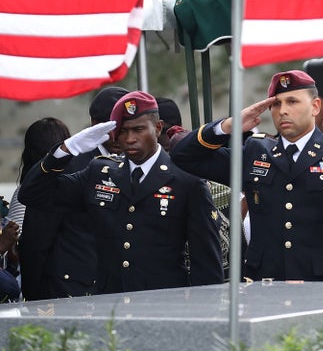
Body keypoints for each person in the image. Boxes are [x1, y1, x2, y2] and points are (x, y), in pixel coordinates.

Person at [171, 70, 323, 282]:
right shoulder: (255, 152)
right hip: (267, 285)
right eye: (276, 104)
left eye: (292, 101)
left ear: (315, 107)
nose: (283, 110)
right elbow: (184, 156)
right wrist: (228, 126)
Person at [18, 91, 224, 294]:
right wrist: (67, 149)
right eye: (123, 131)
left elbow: (206, 265)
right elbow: (32, 194)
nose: (130, 138)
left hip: (163, 307)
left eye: (138, 129)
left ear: (158, 128)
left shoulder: (186, 180)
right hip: (109, 306)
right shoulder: (99, 173)